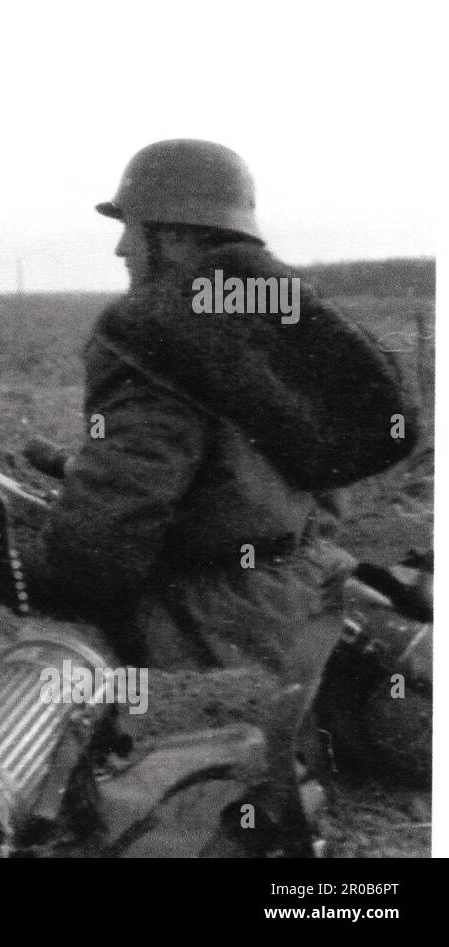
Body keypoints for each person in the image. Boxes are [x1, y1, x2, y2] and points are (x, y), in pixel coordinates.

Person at [23, 139, 416, 683]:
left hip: (219, 619)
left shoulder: (150, 332)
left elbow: (114, 521)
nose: (121, 249)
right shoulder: (277, 306)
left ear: (176, 236)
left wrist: (31, 577)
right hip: (310, 576)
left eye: (131, 229)